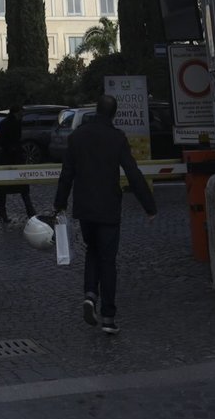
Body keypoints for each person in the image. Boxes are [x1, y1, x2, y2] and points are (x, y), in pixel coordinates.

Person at [53, 93, 156, 334]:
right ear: (113, 114)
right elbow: (132, 172)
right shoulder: (116, 137)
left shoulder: (77, 137)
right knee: (108, 260)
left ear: (96, 110)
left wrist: (59, 204)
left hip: (84, 207)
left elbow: (66, 174)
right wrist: (149, 206)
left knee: (92, 251)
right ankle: (108, 317)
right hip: (108, 207)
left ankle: (90, 294)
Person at [0, 107, 37, 224]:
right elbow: (2, 140)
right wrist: (11, 148)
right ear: (16, 113)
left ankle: (27, 211)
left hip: (12, 158)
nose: (22, 115)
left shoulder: (13, 123)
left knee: (16, 187)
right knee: (12, 187)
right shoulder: (9, 124)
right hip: (10, 158)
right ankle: (28, 212)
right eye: (21, 113)